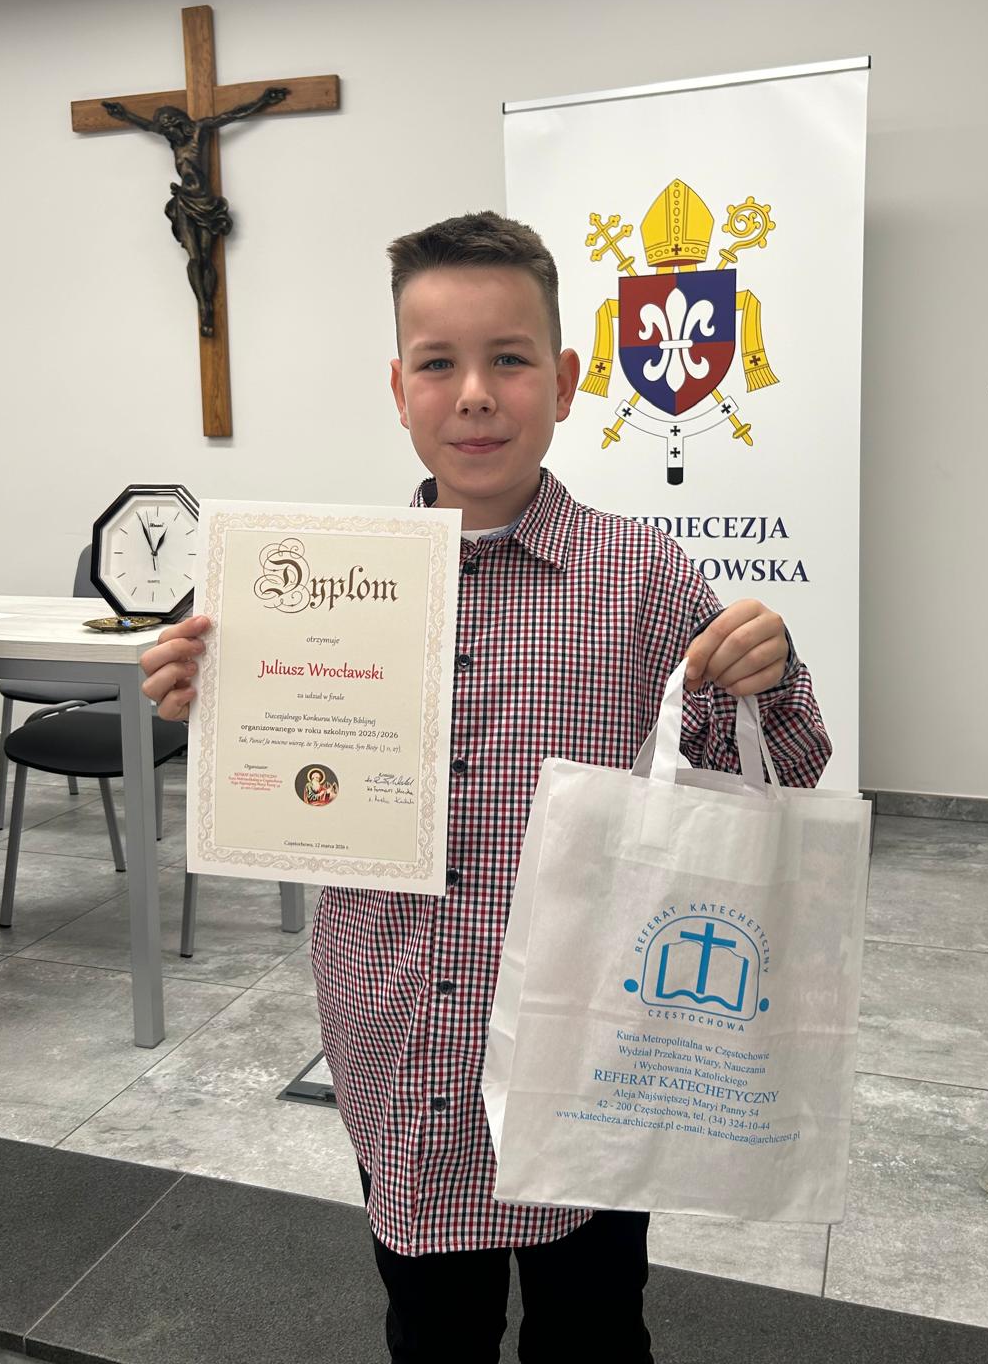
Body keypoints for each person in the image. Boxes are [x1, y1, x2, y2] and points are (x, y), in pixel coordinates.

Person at [140, 211, 832, 1363]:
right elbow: (274, 782)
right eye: (437, 364)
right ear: (398, 389)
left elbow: (775, 777)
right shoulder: (319, 587)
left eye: (508, 359)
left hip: (592, 1051)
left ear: (563, 381)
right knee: (431, 1328)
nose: (473, 394)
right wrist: (206, 702)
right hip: (399, 1028)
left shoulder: (644, 576)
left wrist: (770, 672)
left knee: (593, 1324)